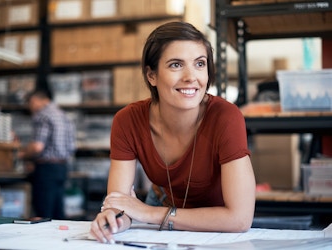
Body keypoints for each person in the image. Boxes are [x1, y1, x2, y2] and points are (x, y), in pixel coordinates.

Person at [90, 21, 256, 244]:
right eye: (176, 65)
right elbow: (122, 204)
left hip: (215, 226)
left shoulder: (226, 117)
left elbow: (239, 220)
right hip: (162, 207)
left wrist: (147, 213)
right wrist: (113, 218)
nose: (191, 76)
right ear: (152, 76)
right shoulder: (127, 121)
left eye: (199, 63)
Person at [18, 89, 76, 219]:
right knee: (58, 212)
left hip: (47, 168)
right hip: (62, 167)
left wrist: (22, 155)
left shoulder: (43, 115)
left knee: (43, 213)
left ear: (39, 100)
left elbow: (37, 147)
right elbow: (72, 145)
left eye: (31, 103)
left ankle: (42, 239)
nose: (31, 107)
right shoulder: (64, 115)